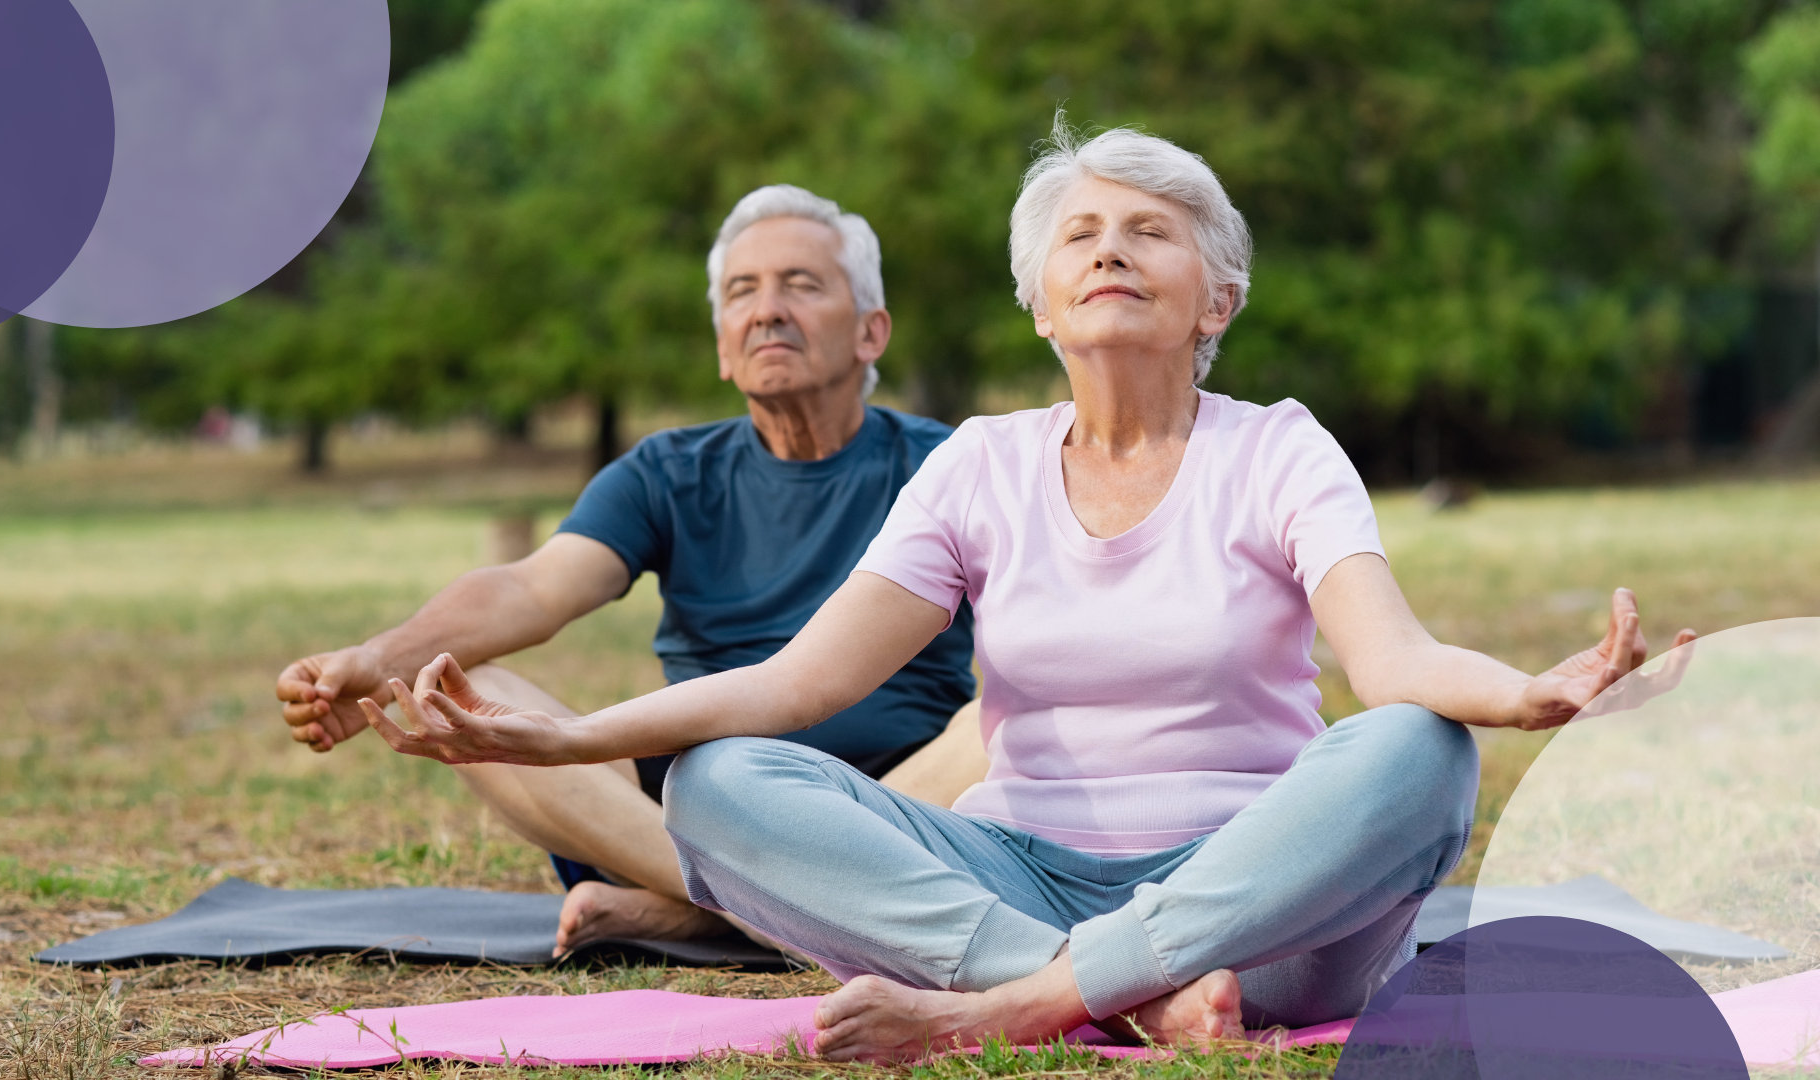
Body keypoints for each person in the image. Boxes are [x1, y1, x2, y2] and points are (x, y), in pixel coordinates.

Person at [356, 122, 1698, 1061]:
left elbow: (1392, 663)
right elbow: (797, 687)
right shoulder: (982, 467)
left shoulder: (1279, 446)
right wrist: (573, 736)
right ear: (1041, 302)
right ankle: (1097, 995)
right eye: (1082, 235)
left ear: (1216, 291)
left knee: (1417, 752)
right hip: (1021, 882)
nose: (1112, 249)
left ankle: (1012, 1010)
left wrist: (1531, 692)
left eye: (1152, 233)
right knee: (722, 781)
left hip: (1260, 905)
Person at [275, 184, 987, 957]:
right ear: (722, 343)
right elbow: (532, 588)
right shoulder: (666, 472)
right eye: (742, 292)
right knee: (458, 689)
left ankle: (700, 913)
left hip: (899, 799)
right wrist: (382, 660)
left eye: (802, 285)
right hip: (696, 805)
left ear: (871, 332)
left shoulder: (952, 464)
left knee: (1002, 722)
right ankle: (775, 910)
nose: (767, 310)